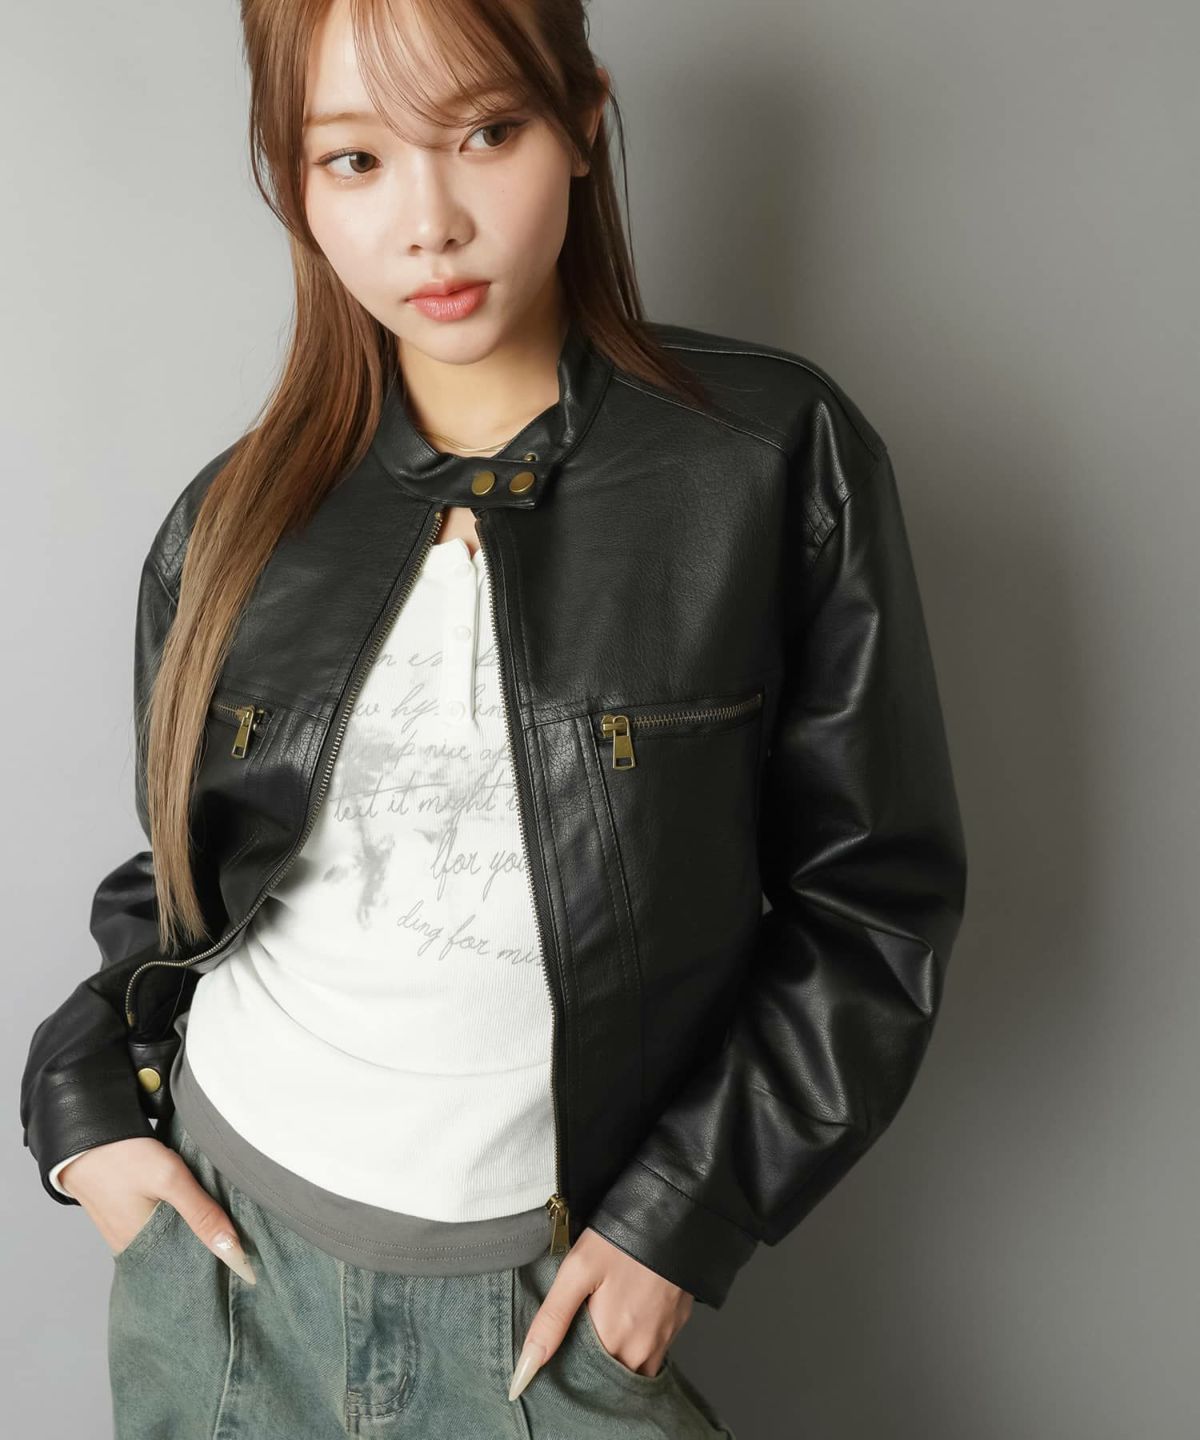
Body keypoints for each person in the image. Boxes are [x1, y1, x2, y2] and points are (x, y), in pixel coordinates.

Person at [17, 1, 968, 1436]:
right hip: (221, 1277)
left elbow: (873, 906)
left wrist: (680, 1222)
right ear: (294, 180)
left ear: (581, 121)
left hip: (543, 1316)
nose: (431, 225)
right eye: (354, 159)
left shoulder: (767, 462)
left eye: (485, 132)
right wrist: (79, 1111)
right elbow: (178, 889)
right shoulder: (227, 522)